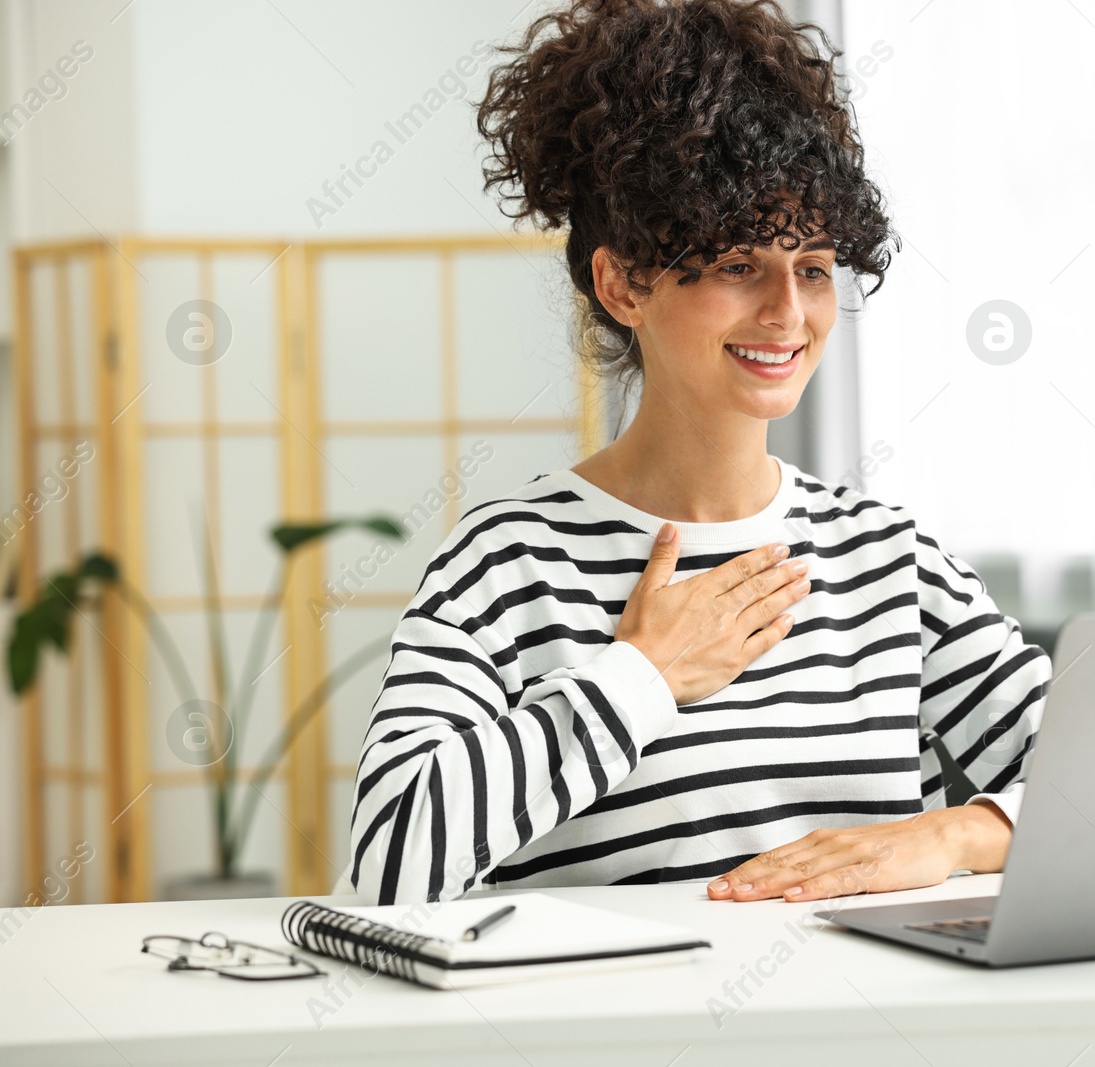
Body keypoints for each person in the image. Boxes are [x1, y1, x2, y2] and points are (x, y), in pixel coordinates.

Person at [348, 0, 1051, 906]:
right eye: (735, 265)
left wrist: (954, 833)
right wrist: (641, 677)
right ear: (623, 283)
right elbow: (390, 861)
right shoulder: (506, 566)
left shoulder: (888, 559)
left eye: (812, 268)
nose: (788, 315)